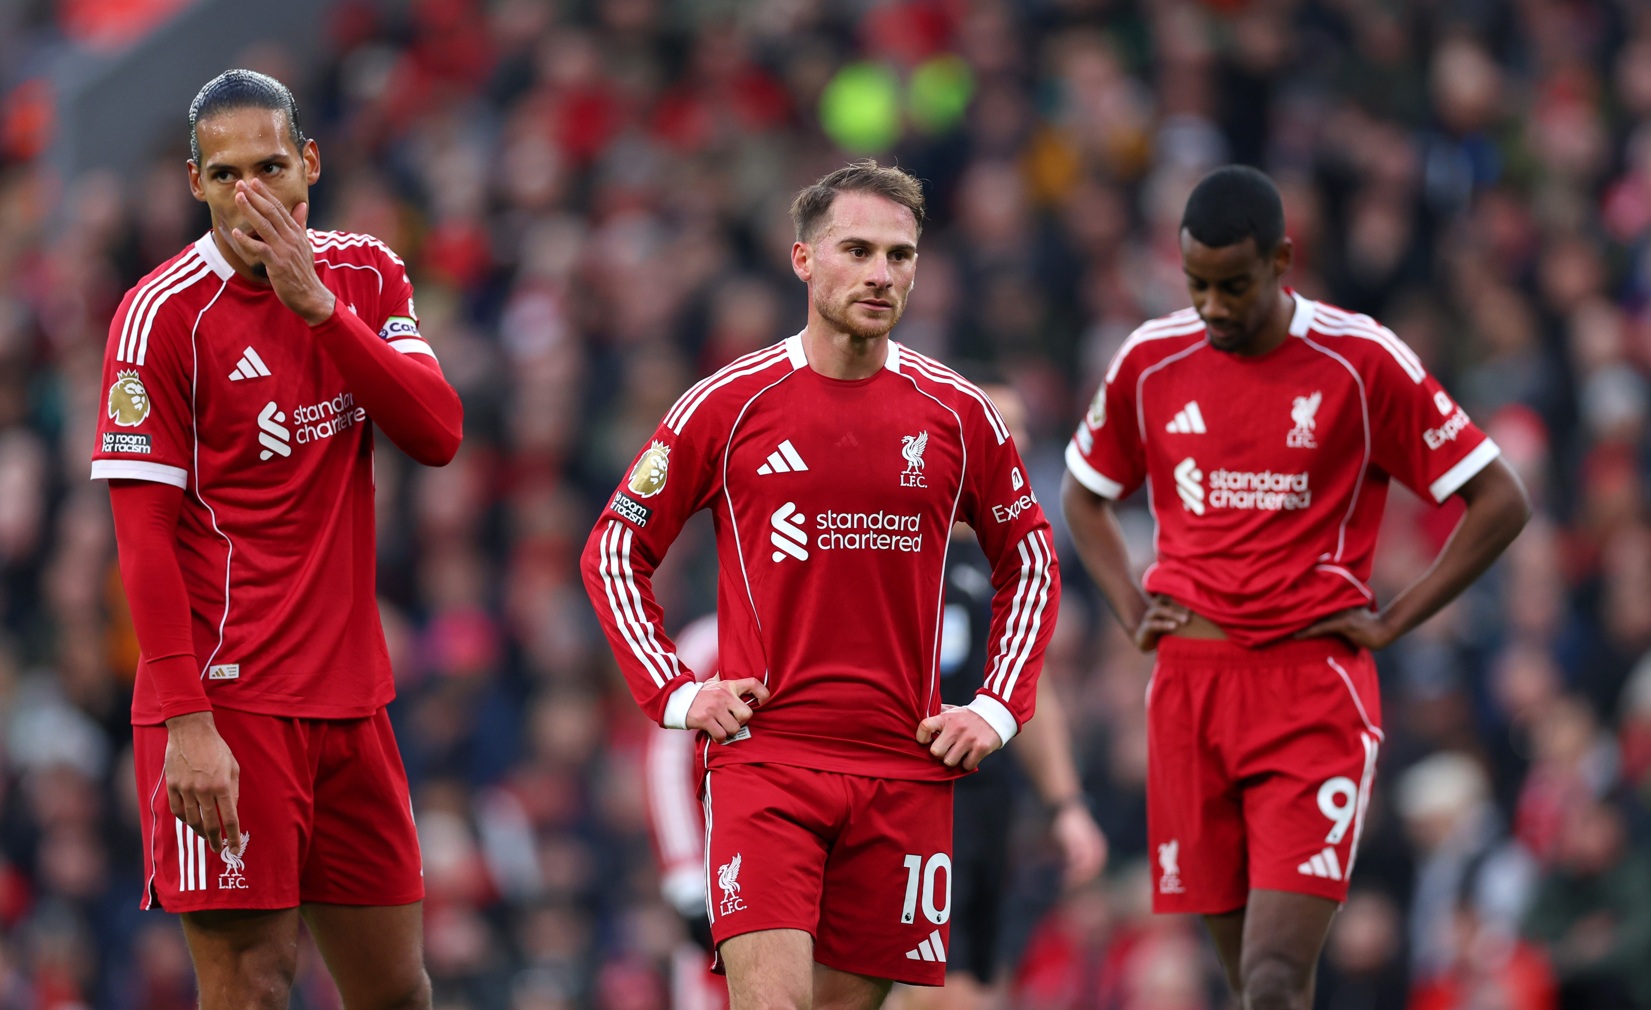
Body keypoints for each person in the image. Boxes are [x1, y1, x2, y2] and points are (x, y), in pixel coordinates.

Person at [580, 160, 1060, 1010]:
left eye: (899, 256)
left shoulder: (957, 414)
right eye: (858, 251)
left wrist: (995, 709)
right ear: (803, 260)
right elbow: (616, 547)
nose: (881, 274)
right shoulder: (728, 403)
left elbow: (1030, 561)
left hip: (903, 772)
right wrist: (677, 693)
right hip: (767, 761)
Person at [1060, 165, 1530, 1010]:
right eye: (1196, 284)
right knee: (1250, 984)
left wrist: (1393, 620)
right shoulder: (1150, 358)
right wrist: (1129, 609)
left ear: (1281, 261)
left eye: (1233, 285)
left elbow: (1500, 499)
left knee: (1275, 978)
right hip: (1187, 696)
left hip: (1309, 695)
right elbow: (1082, 494)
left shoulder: (1360, 358)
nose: (1211, 306)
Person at [92, 70, 462, 1010]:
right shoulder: (159, 316)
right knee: (253, 986)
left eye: (270, 167)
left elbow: (436, 433)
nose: (250, 193)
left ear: (311, 164)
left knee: (398, 992)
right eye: (225, 175)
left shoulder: (366, 274)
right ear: (195, 183)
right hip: (227, 703)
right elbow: (142, 538)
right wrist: (186, 724)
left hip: (352, 700)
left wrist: (321, 313)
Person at [901, 380, 1106, 1010]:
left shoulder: (1014, 562)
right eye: (996, 426)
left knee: (977, 982)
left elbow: (1029, 693)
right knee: (932, 985)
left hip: (987, 804)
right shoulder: (898, 541)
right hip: (911, 797)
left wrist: (1065, 805)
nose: (1013, 442)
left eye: (1020, 430)